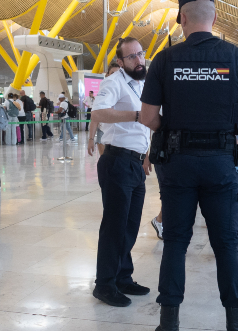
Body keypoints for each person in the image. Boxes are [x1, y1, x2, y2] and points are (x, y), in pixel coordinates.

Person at [138, 0, 238, 331]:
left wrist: (173, 130)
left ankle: (168, 323)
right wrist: (228, 127)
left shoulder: (164, 60)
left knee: (175, 242)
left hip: (176, 163)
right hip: (221, 162)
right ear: (215, 18)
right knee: (226, 244)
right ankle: (237, 322)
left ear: (181, 19)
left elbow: (148, 117)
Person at [87, 37, 152, 307]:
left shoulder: (142, 84)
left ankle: (123, 276)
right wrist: (136, 115)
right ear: (120, 61)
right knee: (115, 227)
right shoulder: (114, 82)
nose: (139, 60)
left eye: (140, 54)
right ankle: (104, 284)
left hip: (135, 163)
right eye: (132, 56)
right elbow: (99, 112)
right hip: (117, 161)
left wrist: (147, 154)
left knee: (130, 226)